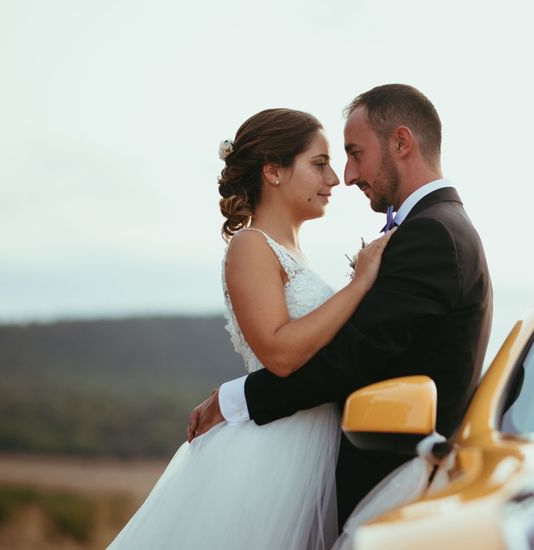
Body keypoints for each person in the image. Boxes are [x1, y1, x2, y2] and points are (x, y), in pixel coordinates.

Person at [188, 84, 493, 532]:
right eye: (325, 162)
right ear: (273, 173)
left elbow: (352, 358)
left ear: (402, 143)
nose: (344, 177)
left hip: (390, 475)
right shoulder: (434, 229)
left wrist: (237, 398)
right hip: (291, 457)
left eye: (353, 153)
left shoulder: (432, 234)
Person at [108, 108, 394, 550]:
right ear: (273, 171)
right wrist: (359, 286)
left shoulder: (295, 252)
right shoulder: (250, 246)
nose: (335, 178)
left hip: (314, 445)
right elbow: (279, 353)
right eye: (319, 164)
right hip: (273, 454)